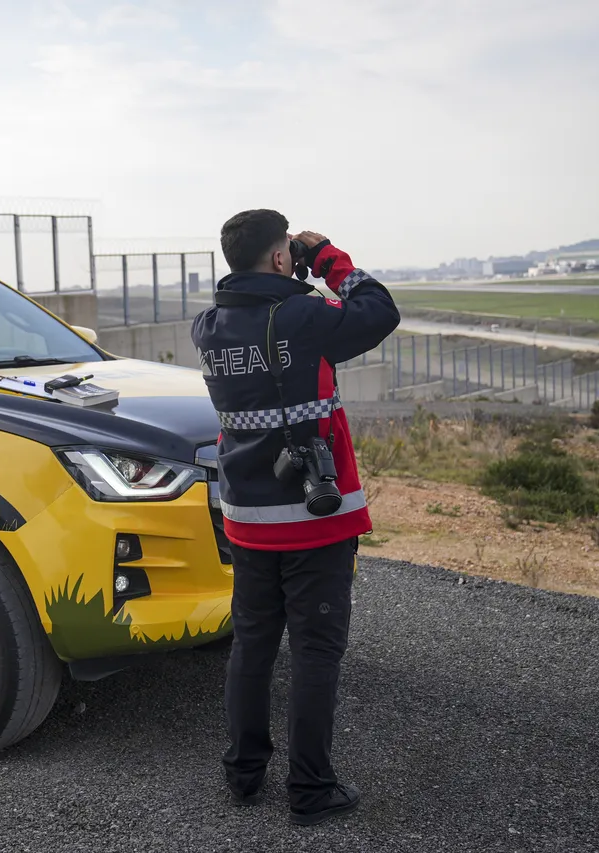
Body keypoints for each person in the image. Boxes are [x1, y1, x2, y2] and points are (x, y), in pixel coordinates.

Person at [191, 209, 399, 826]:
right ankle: (310, 787)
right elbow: (379, 311)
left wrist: (291, 268)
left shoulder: (208, 327)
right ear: (281, 257)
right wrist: (327, 256)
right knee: (315, 649)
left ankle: (243, 773)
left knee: (253, 644)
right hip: (315, 516)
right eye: (288, 249)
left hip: (248, 518)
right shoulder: (305, 317)